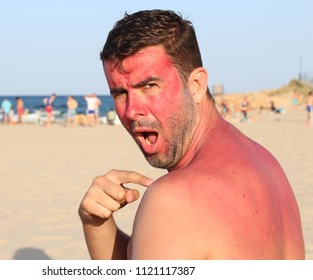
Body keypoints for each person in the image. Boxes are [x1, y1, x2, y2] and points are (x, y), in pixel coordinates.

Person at [78, 9, 304, 260]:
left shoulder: (173, 200)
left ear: (196, 85)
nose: (131, 111)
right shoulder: (268, 165)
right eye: (120, 93)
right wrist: (96, 223)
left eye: (150, 86)